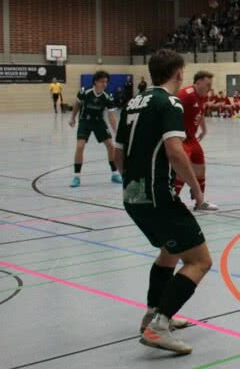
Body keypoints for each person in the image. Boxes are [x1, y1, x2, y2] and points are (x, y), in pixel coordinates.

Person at [115, 49, 210, 355]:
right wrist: (195, 188)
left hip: (133, 195)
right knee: (199, 261)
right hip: (159, 197)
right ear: (179, 73)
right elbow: (175, 151)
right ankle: (160, 326)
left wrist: (135, 183)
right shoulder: (169, 102)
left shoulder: (133, 102)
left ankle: (151, 314)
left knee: (169, 252)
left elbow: (118, 155)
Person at [175, 71, 219, 211]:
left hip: (192, 138)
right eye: (207, 85)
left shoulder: (202, 96)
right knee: (182, 170)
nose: (209, 88)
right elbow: (170, 110)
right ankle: (171, 202)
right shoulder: (185, 94)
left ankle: (200, 203)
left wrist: (204, 130)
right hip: (181, 138)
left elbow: (200, 113)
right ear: (198, 82)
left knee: (200, 168)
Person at [69, 71, 121, 187]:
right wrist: (72, 118)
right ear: (95, 82)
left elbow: (111, 115)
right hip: (85, 121)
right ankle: (76, 177)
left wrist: (116, 131)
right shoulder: (85, 91)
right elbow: (77, 104)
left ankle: (114, 173)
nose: (104, 84)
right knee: (80, 146)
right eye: (102, 81)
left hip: (99, 122)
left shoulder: (108, 96)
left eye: (106, 82)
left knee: (110, 145)